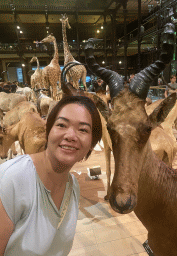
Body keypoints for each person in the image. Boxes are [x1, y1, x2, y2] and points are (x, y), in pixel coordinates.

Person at [0, 95, 102, 256]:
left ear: (91, 144)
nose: (70, 136)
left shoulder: (73, 186)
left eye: (83, 129)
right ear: (48, 130)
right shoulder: (11, 178)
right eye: (62, 125)